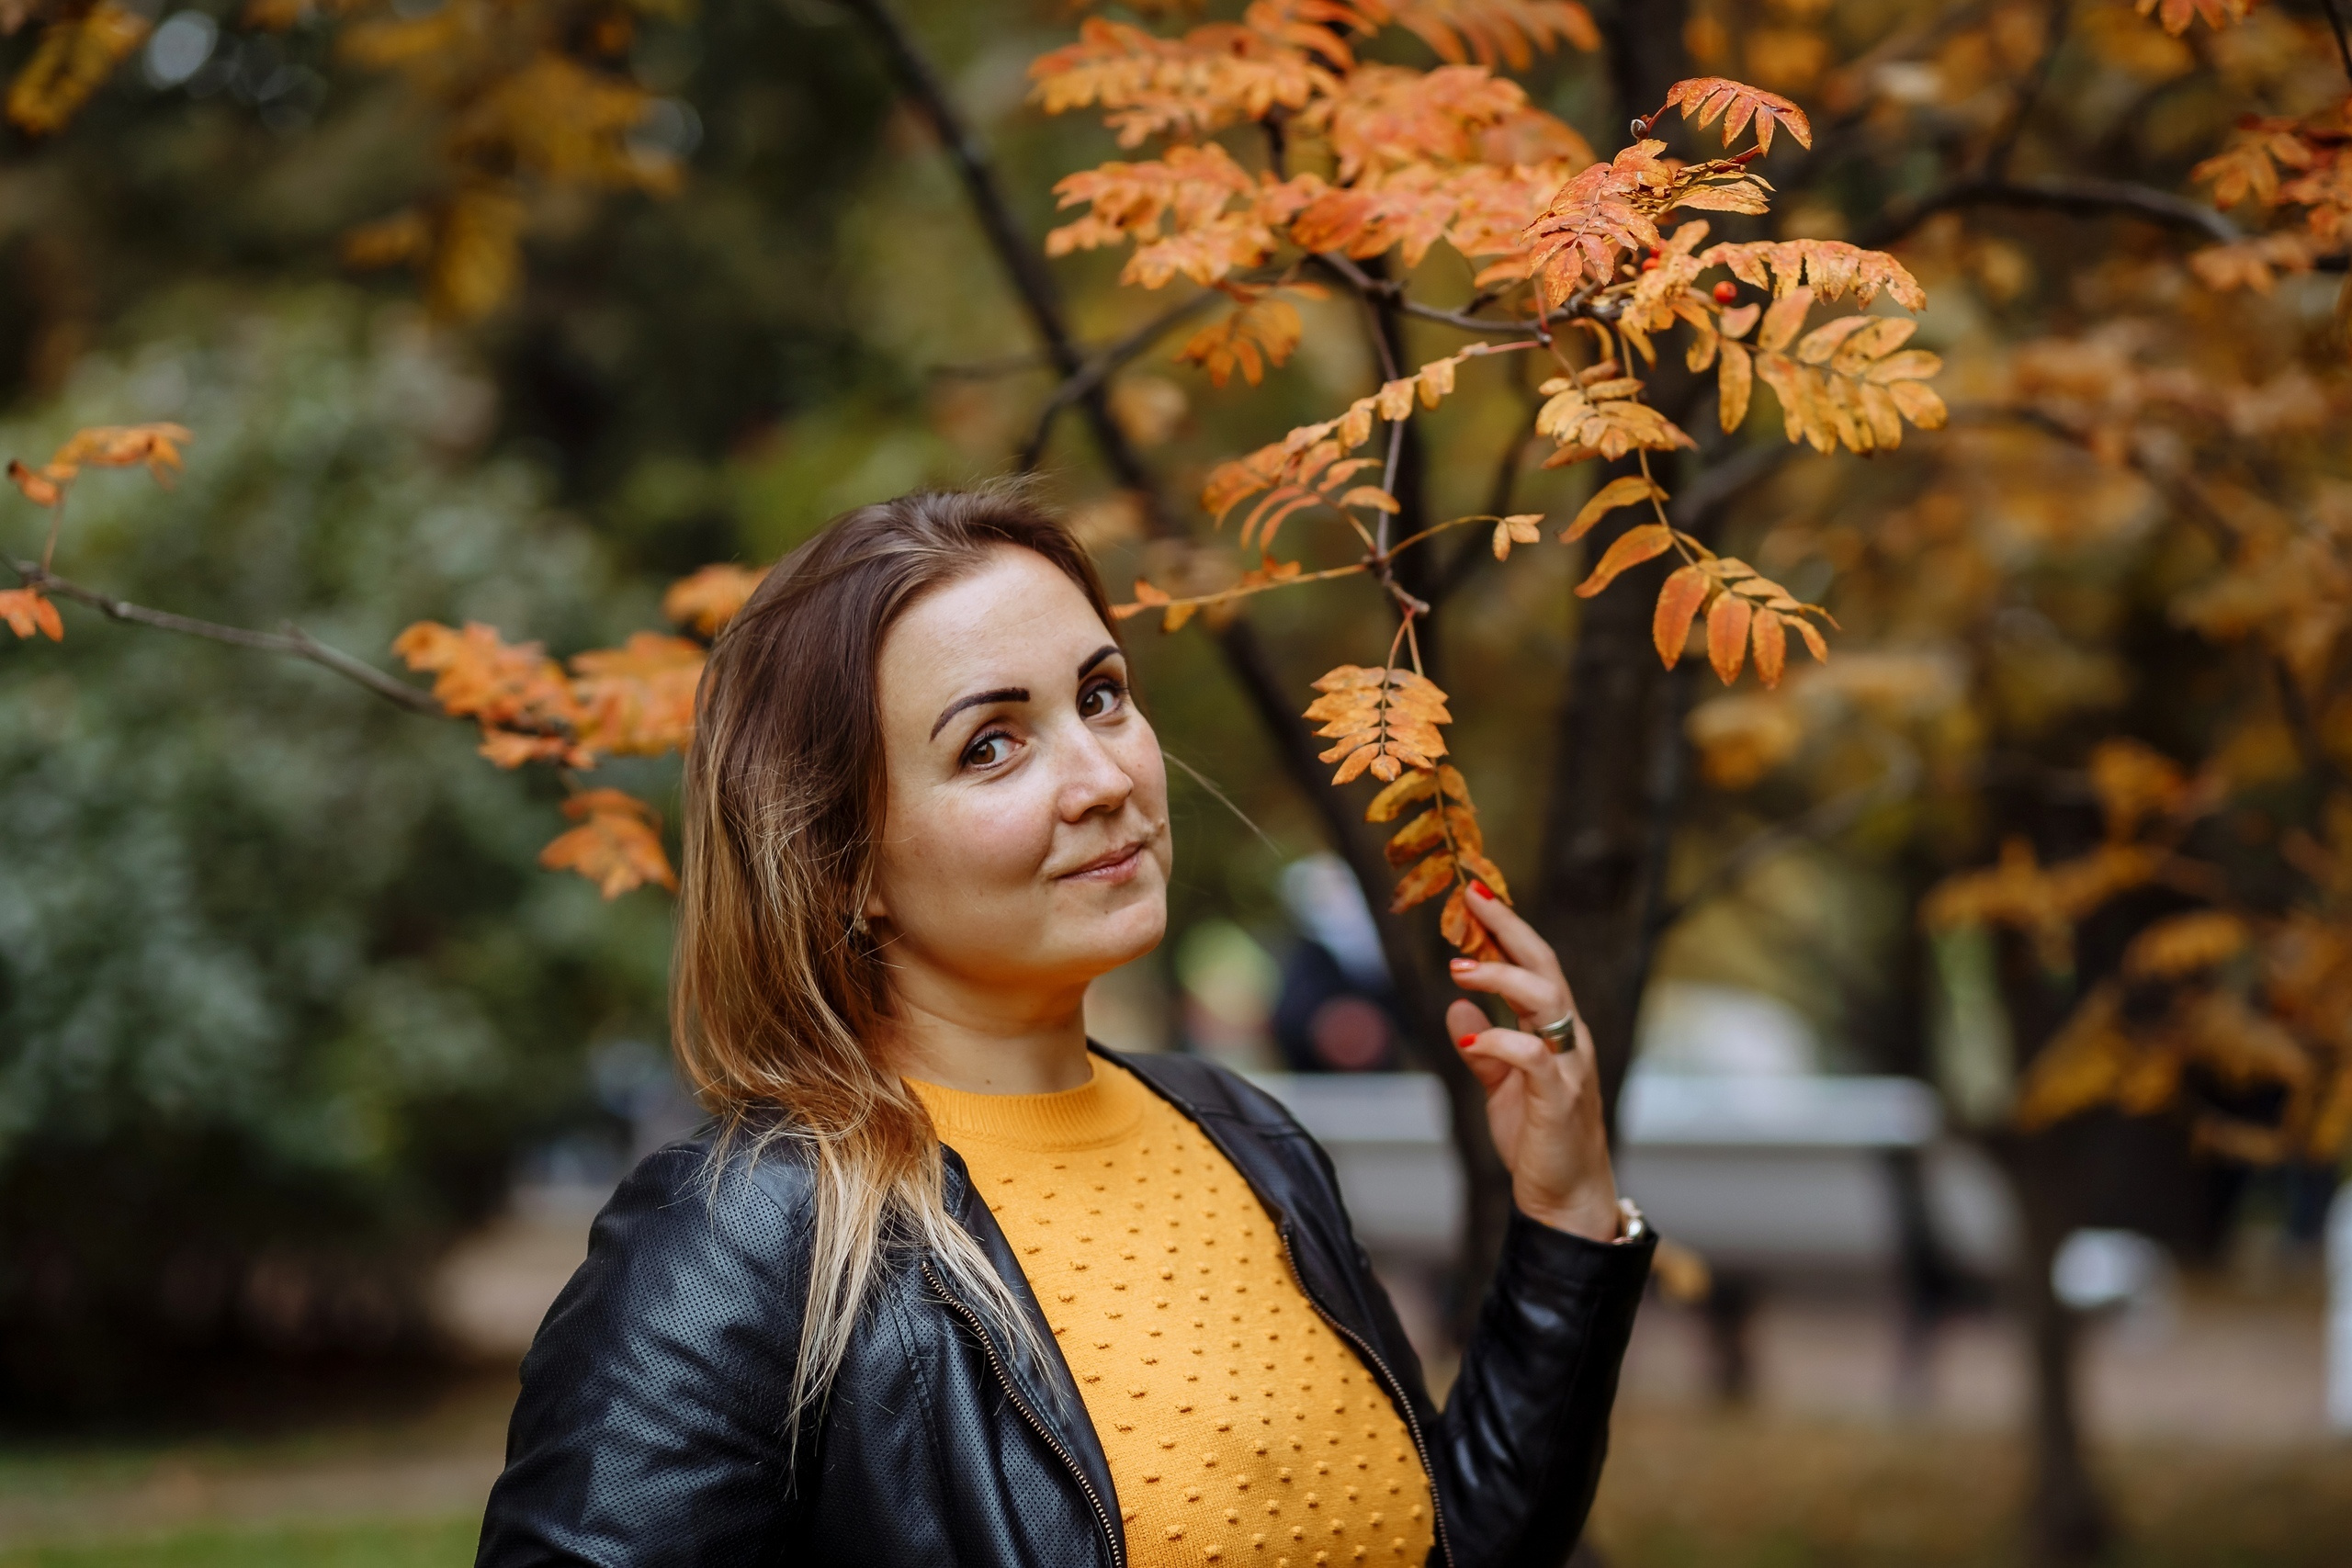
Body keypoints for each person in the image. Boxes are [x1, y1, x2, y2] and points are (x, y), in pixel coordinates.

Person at [476, 489, 1654, 1568]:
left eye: (1100, 696)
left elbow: (1446, 1546)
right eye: (990, 745)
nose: (1102, 777)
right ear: (844, 864)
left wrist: (1564, 1220)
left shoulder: (1245, 1138)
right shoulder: (738, 1238)